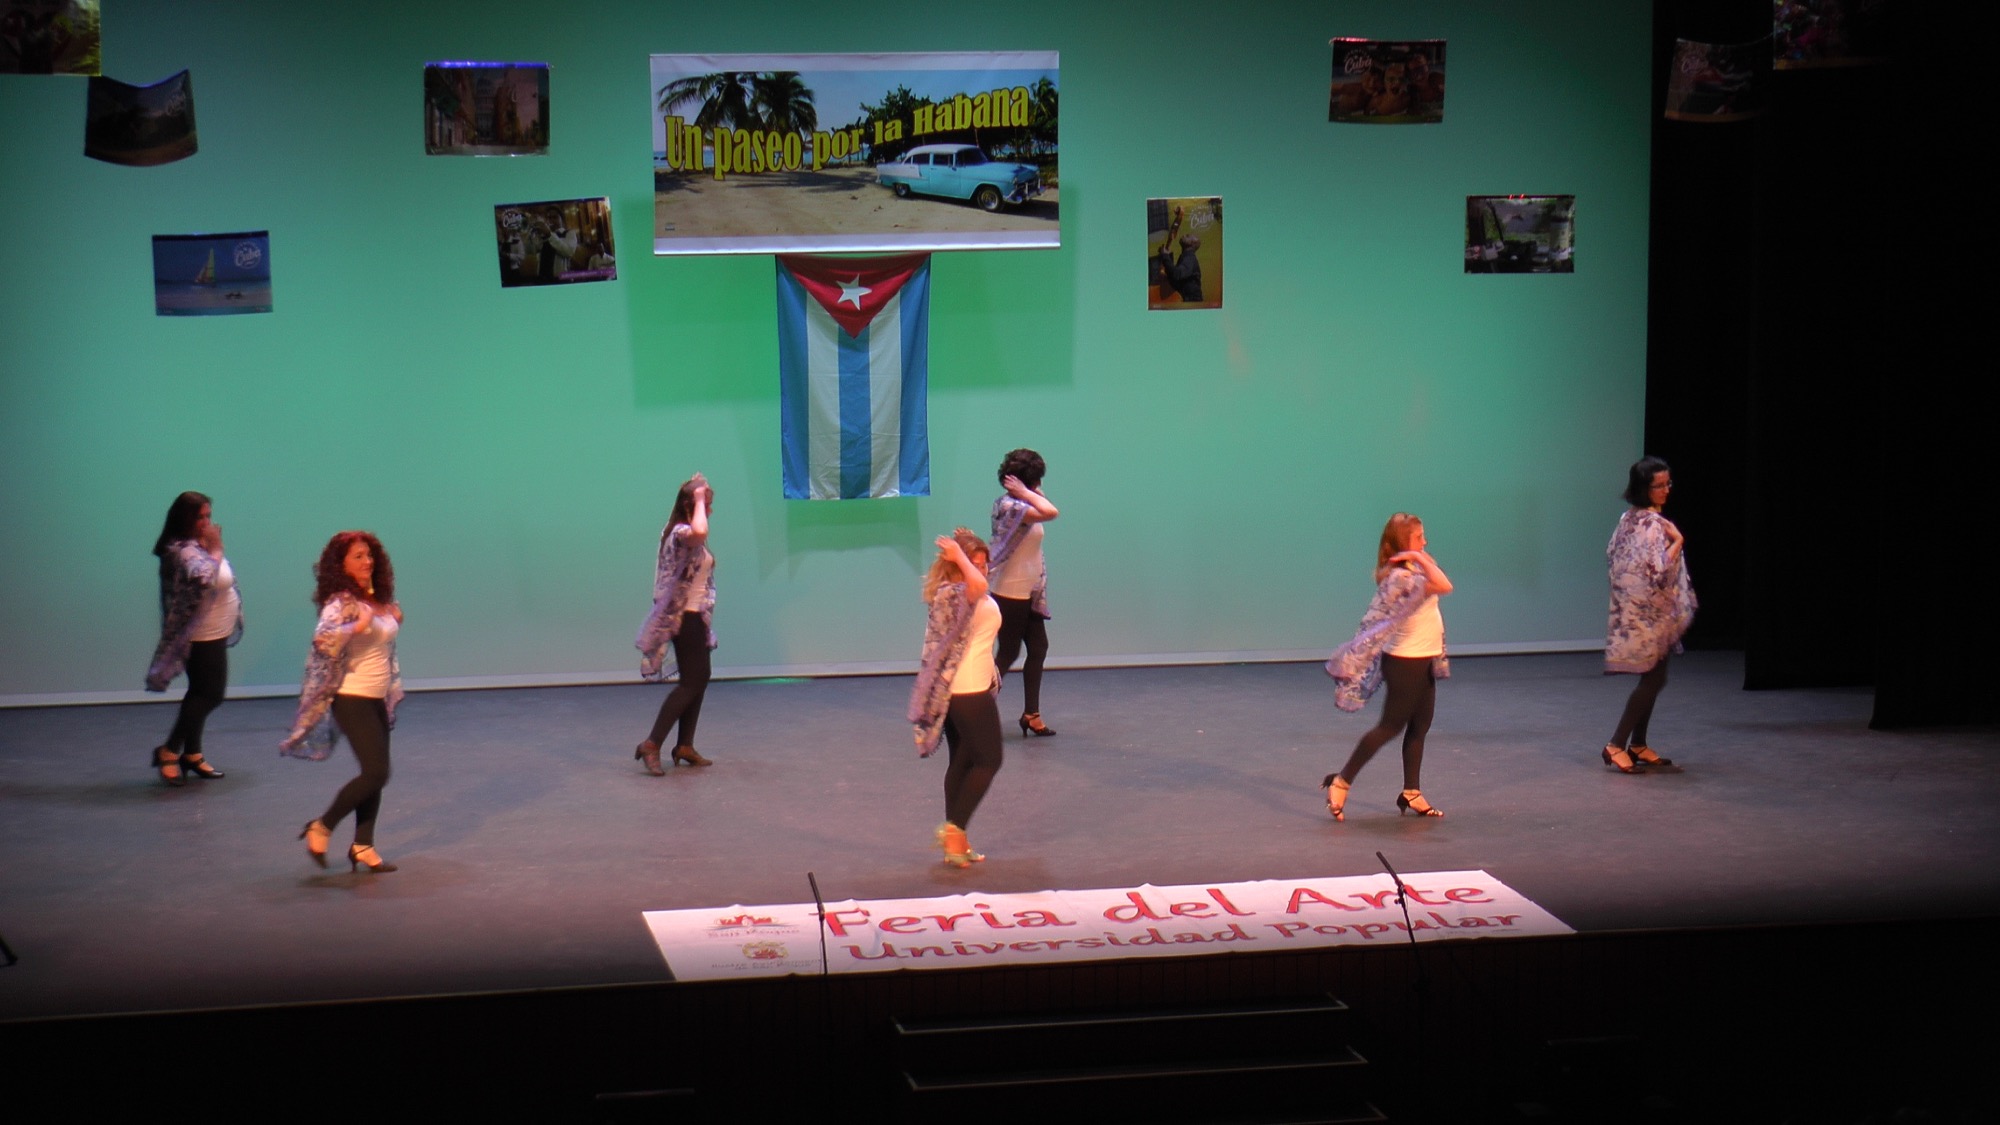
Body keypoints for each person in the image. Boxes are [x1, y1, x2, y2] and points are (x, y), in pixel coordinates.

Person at [282, 532, 404, 874]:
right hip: (352, 696)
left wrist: (393, 618)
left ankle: (363, 845)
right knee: (377, 772)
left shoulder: (377, 598)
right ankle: (322, 826)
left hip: (377, 695)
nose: (367, 562)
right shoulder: (341, 603)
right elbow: (323, 642)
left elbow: (382, 637)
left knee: (375, 775)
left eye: (369, 555)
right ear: (341, 565)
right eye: (358, 556)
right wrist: (357, 626)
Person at [1322, 513, 1454, 820]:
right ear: (1404, 542)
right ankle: (1341, 781)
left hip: (1424, 658)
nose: (1425, 542)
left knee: (1420, 726)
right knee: (1390, 727)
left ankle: (1412, 792)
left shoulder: (1415, 568)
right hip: (1406, 662)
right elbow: (1445, 585)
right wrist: (1417, 558)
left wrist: (1418, 557)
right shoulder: (1401, 578)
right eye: (1419, 538)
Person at [908, 528, 1003, 867]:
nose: (982, 570)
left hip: (968, 688)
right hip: (968, 690)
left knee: (962, 762)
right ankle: (954, 830)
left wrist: (967, 545)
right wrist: (962, 558)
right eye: (973, 563)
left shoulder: (966, 587)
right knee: (990, 760)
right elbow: (978, 586)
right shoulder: (953, 593)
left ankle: (956, 844)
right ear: (955, 565)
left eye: (983, 563)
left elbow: (982, 580)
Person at [1603, 457, 1697, 772]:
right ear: (1644, 488)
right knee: (1654, 679)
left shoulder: (1628, 519)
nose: (1666, 490)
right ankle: (1616, 744)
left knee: (1654, 678)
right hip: (1650, 614)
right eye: (1659, 485)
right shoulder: (1651, 525)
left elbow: (1612, 555)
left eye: (1668, 483)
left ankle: (1638, 744)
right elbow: (1659, 569)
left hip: (1642, 611)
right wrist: (1678, 540)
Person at [144, 491, 242, 786]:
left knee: (199, 692)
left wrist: (211, 548)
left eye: (208, 516)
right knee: (211, 694)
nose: (206, 522)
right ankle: (169, 750)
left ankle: (192, 754)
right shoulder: (181, 549)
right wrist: (217, 549)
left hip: (216, 630)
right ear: (184, 518)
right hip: (201, 634)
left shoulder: (199, 545)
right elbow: (203, 577)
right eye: (199, 517)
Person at [633, 474, 717, 774]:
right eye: (706, 504)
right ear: (690, 506)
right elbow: (700, 531)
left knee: (699, 678)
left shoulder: (681, 532)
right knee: (692, 682)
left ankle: (684, 745)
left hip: (696, 615)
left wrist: (697, 491)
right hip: (684, 616)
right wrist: (698, 497)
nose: (709, 510)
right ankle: (651, 743)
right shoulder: (681, 533)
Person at [989, 449, 1060, 737]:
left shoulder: (1025, 501)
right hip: (1010, 589)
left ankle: (1032, 714)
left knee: (1039, 648)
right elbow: (1051, 512)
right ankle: (974, 709)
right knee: (1008, 653)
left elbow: (1044, 504)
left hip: (1030, 589)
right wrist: (1026, 492)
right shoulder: (1010, 506)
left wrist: (1028, 491)